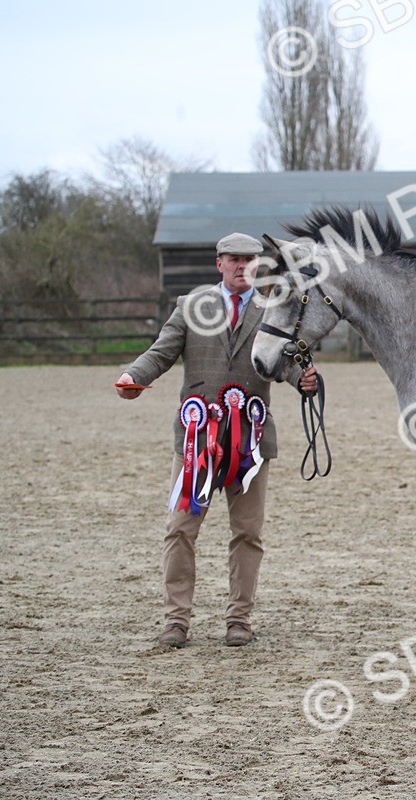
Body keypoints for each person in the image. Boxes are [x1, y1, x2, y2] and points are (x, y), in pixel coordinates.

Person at [116, 232, 317, 648]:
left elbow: (286, 360)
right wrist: (135, 376)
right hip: (195, 441)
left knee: (247, 533)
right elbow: (161, 352)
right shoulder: (191, 308)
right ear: (219, 263)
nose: (242, 266)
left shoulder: (270, 308)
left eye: (249, 259)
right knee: (179, 530)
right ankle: (176, 621)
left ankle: (239, 619)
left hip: (251, 444)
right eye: (234, 259)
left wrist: (305, 380)